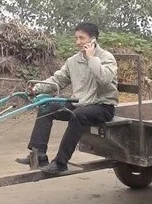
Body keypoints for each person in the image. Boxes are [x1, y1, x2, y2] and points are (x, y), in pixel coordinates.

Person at [15, 22, 118, 174]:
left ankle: (60, 162)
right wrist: (36, 89)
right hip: (79, 103)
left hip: (102, 106)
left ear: (93, 40)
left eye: (81, 38)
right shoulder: (73, 61)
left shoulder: (106, 58)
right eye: (76, 38)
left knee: (78, 115)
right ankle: (39, 155)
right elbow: (58, 80)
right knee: (46, 106)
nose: (78, 42)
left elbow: (104, 78)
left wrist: (91, 58)